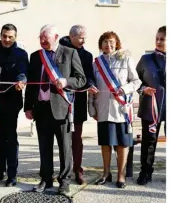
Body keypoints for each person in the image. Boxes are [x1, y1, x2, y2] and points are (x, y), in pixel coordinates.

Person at [24, 24, 86, 195]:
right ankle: (46, 179)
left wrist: (66, 81)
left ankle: (64, 181)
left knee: (65, 148)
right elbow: (30, 84)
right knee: (44, 147)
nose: (43, 40)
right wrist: (28, 107)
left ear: (56, 36)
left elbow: (81, 80)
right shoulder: (36, 56)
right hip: (41, 108)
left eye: (46, 37)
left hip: (61, 108)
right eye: (41, 37)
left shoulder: (70, 53)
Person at [88, 31, 141, 189]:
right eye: (104, 42)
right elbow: (93, 87)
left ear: (117, 43)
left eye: (111, 42)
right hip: (103, 110)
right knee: (105, 144)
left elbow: (136, 81)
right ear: (100, 45)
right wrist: (91, 106)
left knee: (122, 144)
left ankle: (121, 175)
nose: (108, 45)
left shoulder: (126, 59)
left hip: (121, 110)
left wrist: (124, 89)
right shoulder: (96, 63)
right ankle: (106, 173)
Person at [0, 24, 29, 186]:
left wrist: (22, 80)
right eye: (4, 36)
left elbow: (23, 71)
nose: (6, 39)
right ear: (0, 35)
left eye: (10, 37)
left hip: (12, 101)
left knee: (10, 138)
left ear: (15, 37)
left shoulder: (21, 53)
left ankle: (12, 173)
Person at [59, 25, 95, 185]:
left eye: (84, 37)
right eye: (80, 37)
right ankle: (63, 171)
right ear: (71, 36)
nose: (83, 40)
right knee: (61, 138)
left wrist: (91, 84)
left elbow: (89, 76)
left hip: (78, 101)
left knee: (76, 138)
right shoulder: (59, 51)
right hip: (59, 99)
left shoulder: (87, 55)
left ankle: (77, 169)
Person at [136, 26, 166, 185]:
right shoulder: (145, 59)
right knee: (149, 142)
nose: (159, 41)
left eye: (162, 39)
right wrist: (143, 89)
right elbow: (135, 80)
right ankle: (145, 172)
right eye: (157, 38)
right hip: (151, 107)